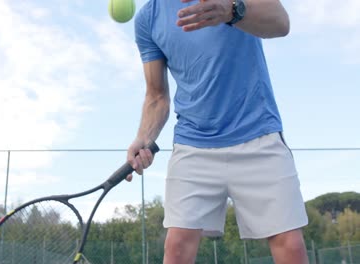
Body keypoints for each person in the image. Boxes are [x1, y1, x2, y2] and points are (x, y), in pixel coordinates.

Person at [125, 0, 309, 263]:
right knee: (176, 247)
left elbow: (281, 23)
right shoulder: (147, 19)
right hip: (193, 145)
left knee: (290, 246)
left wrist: (233, 11)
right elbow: (156, 95)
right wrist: (144, 137)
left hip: (259, 134)